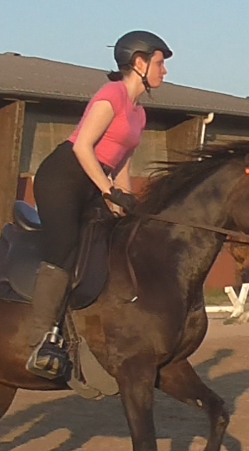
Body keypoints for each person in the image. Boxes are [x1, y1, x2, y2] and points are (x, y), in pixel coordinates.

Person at [27, 30, 172, 379]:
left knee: (113, 240)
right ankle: (42, 340)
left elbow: (121, 162)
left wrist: (127, 202)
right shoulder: (111, 95)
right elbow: (82, 147)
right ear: (139, 63)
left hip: (95, 181)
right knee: (66, 248)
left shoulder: (139, 113)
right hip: (62, 178)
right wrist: (108, 191)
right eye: (159, 63)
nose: (164, 71)